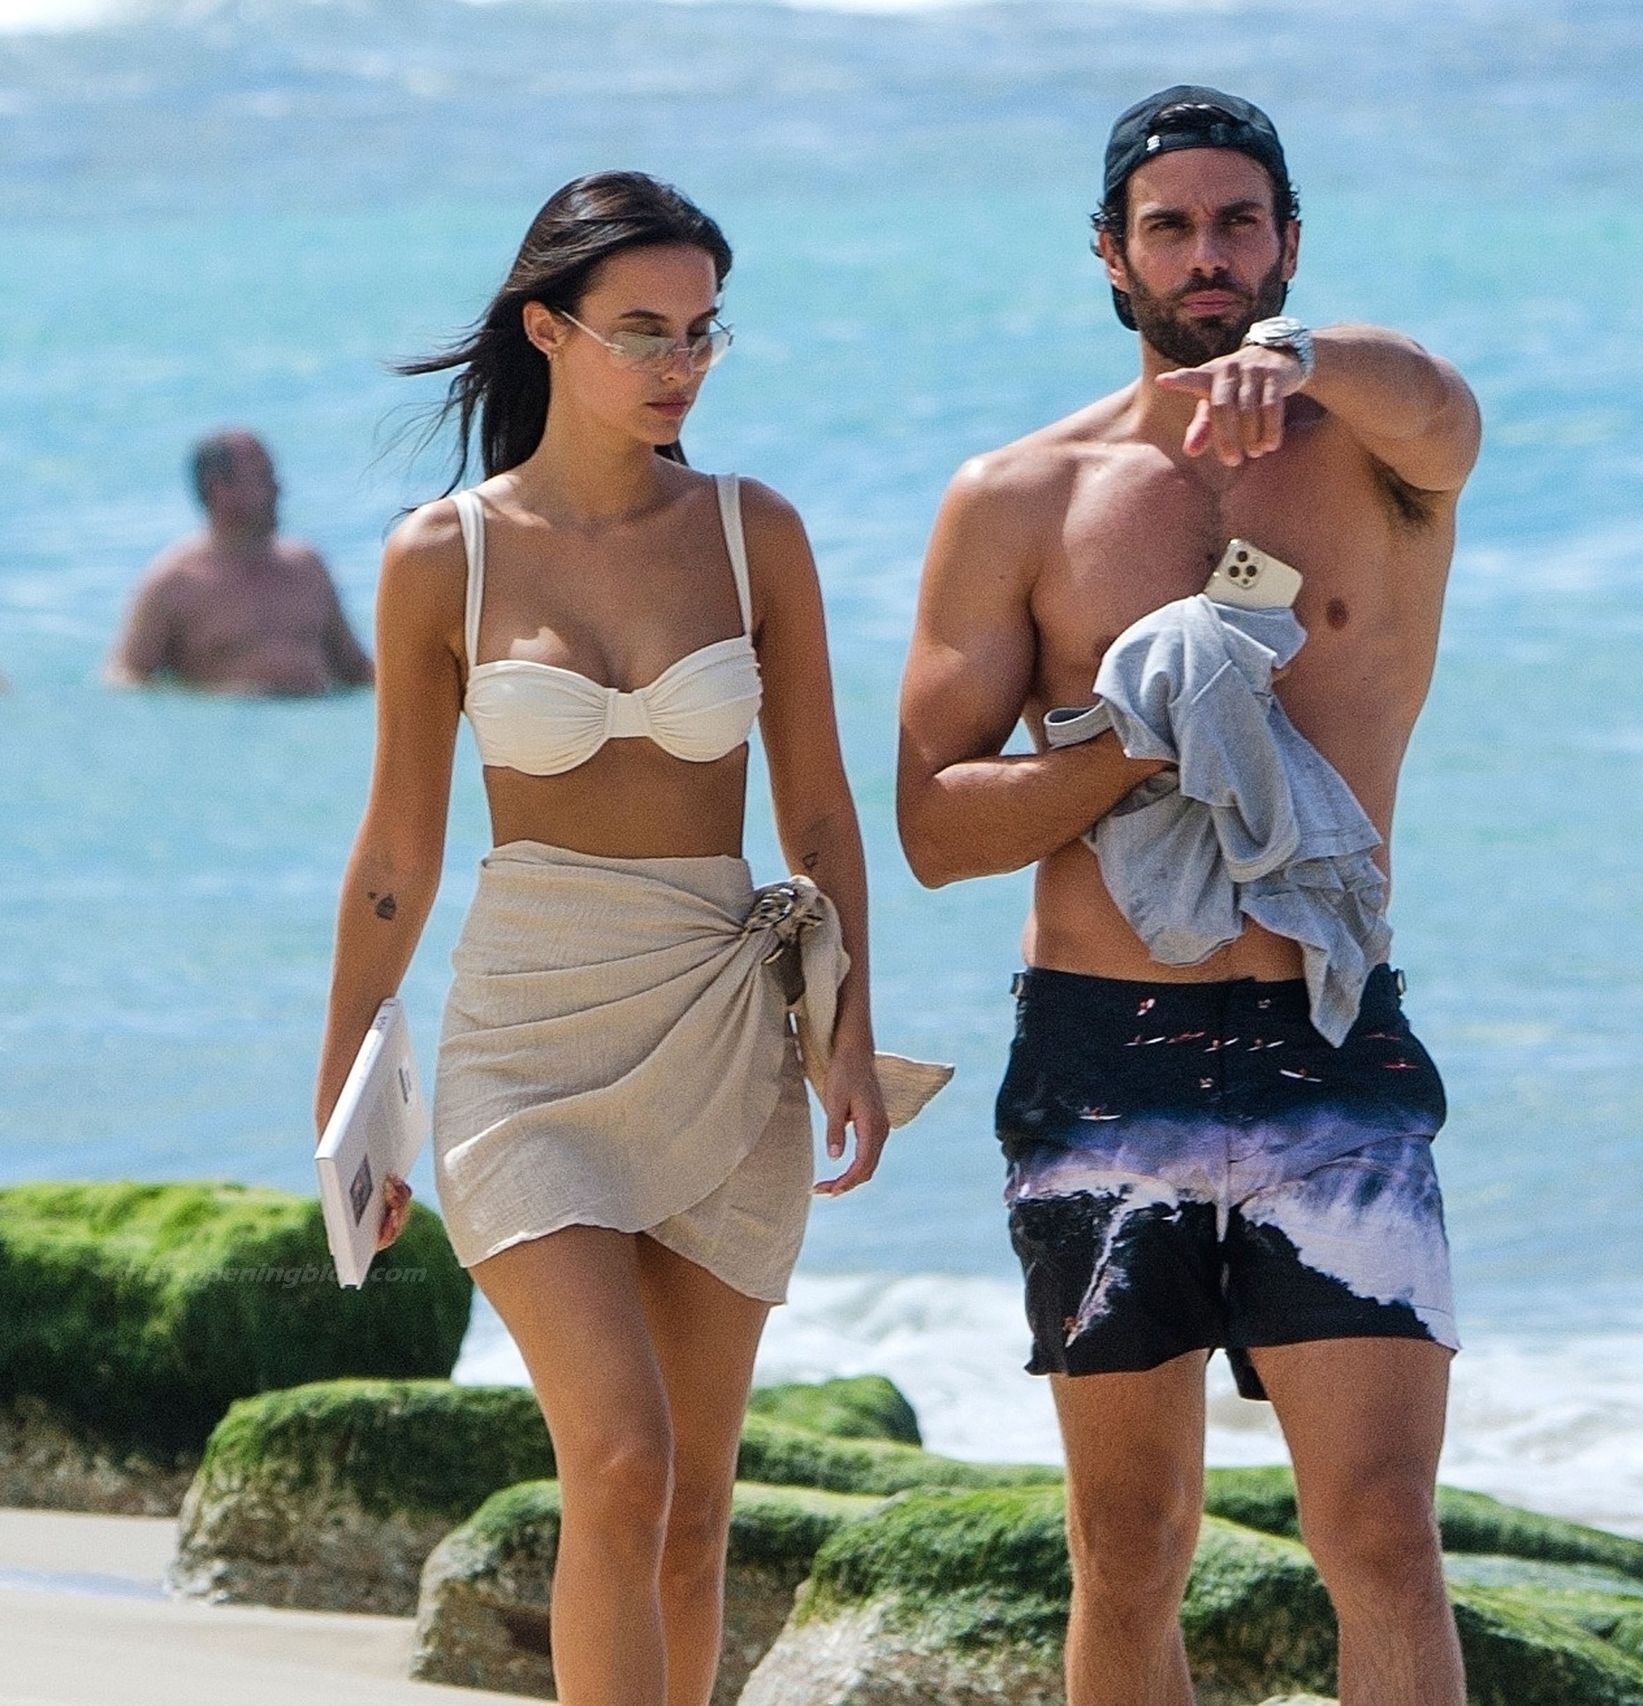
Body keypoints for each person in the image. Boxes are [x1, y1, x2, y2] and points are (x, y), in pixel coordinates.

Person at [896, 86, 1482, 1706]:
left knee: (1382, 1533)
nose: (1207, 254)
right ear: (1111, 253)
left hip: (1327, 1044)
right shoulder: (1021, 496)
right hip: (1100, 1058)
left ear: (1290, 242)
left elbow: (1445, 405)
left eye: (1239, 222)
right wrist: (1135, 739)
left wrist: (1303, 360)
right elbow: (934, 825)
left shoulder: (1384, 458)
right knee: (1131, 1540)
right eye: (1171, 226)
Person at [313, 170, 891, 1706]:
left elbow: (819, 813)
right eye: (644, 330)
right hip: (530, 1041)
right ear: (548, 330)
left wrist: (850, 1029)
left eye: (702, 332)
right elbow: (396, 853)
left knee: (692, 1510)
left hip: (723, 1016)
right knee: (622, 1457)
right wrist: (346, 1093)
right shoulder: (443, 554)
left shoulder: (754, 533)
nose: (680, 363)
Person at [104, 429, 374, 695]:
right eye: (263, 477)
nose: (278, 489)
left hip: (312, 716)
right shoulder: (175, 583)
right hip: (231, 720)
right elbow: (126, 677)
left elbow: (356, 669)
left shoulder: (307, 567)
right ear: (219, 489)